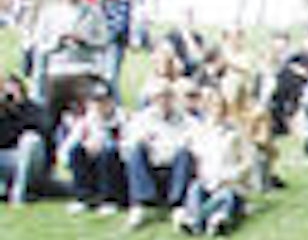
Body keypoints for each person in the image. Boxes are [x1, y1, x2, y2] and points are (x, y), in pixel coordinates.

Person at [178, 86, 253, 236]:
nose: (215, 110)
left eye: (218, 106)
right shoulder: (199, 132)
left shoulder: (235, 132)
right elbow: (196, 157)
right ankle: (202, 219)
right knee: (195, 188)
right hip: (208, 182)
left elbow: (247, 163)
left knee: (226, 195)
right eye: (210, 106)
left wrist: (228, 177)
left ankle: (198, 219)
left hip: (230, 183)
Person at [122, 78, 195, 229]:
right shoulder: (141, 119)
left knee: (184, 152)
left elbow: (195, 142)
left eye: (167, 96)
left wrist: (163, 148)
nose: (163, 101)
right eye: (159, 97)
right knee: (137, 149)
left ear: (174, 98)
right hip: (150, 169)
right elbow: (126, 147)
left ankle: (178, 206)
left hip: (175, 169)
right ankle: (140, 205)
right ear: (152, 99)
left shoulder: (187, 120)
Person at [60, 80, 125, 214]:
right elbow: (65, 151)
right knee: (77, 150)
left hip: (116, 170)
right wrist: (86, 146)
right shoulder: (85, 122)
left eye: (105, 101)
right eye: (96, 102)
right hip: (92, 168)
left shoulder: (123, 120)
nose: (101, 106)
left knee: (109, 151)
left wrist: (107, 145)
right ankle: (83, 198)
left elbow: (130, 149)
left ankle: (109, 199)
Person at [0, 73, 51, 205]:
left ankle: (19, 194)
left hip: (31, 165)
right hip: (6, 161)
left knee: (29, 140)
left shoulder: (33, 109)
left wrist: (17, 108)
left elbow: (42, 131)